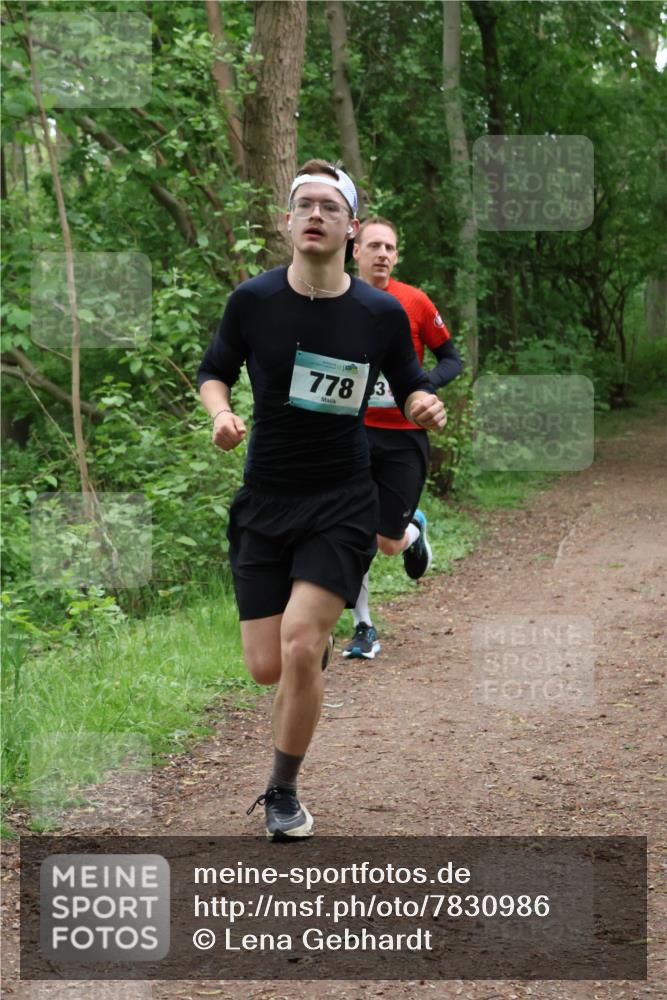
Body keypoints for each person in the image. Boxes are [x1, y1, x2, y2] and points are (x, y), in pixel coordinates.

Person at [198, 162, 446, 840]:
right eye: (302, 205)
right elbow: (214, 370)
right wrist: (219, 414)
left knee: (302, 647)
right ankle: (310, 652)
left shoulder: (379, 312)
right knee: (267, 666)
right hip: (265, 499)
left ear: (350, 227)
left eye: (328, 208)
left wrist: (424, 402)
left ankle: (282, 791)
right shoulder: (253, 301)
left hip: (342, 497)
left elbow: (411, 379)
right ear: (286, 222)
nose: (314, 215)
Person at [342, 217, 463, 660]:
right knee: (354, 532)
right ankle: (363, 628)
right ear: (355, 250)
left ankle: (413, 531)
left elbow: (452, 358)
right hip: (352, 433)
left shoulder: (412, 301)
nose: (383, 254)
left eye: (390, 248)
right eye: (374, 245)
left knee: (387, 541)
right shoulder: (337, 299)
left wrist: (421, 386)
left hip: (404, 436)